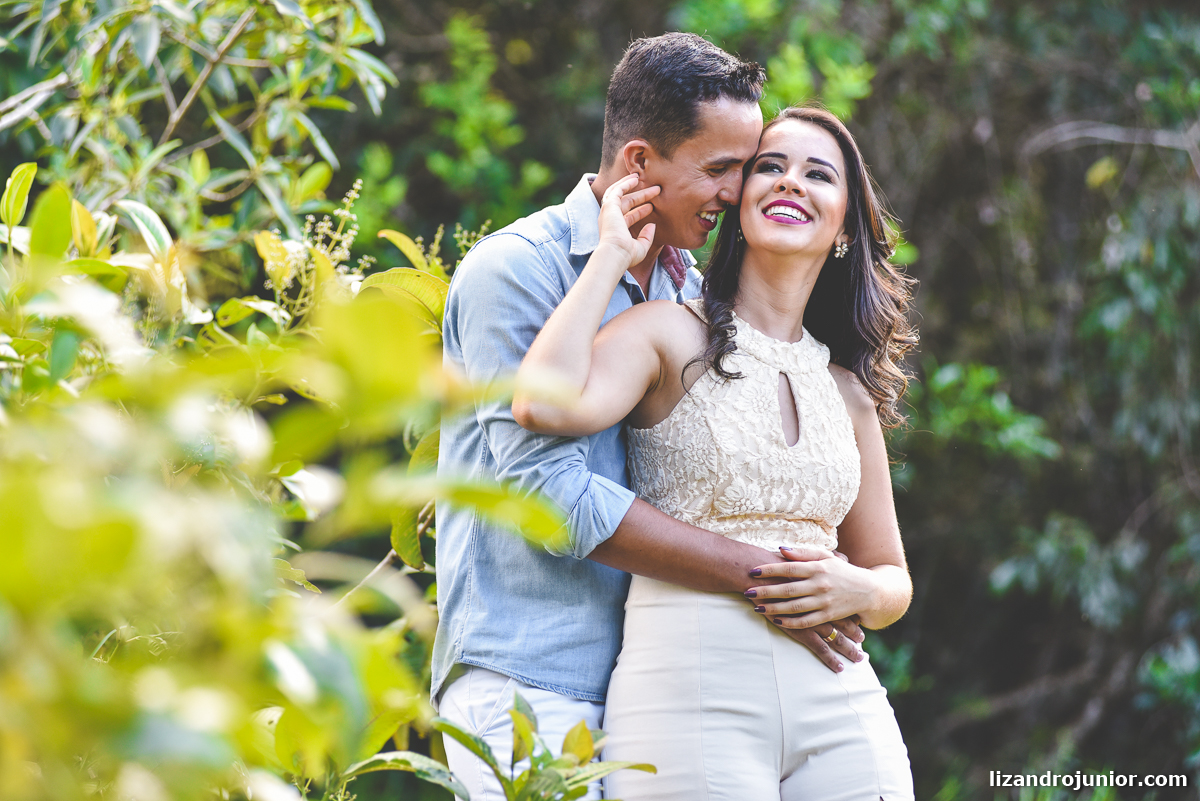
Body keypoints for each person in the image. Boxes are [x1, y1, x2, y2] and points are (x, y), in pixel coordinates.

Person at [434, 35, 866, 799]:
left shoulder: (685, 287)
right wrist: (766, 576)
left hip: (649, 684)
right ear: (639, 164)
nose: (736, 193)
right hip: (527, 680)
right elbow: (547, 496)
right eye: (721, 168)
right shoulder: (514, 270)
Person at [513, 105, 919, 799]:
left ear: (846, 225)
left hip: (839, 694)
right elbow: (542, 404)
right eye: (770, 167)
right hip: (687, 690)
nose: (790, 183)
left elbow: (892, 578)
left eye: (817, 174)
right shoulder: (667, 333)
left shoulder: (848, 392)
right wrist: (611, 255)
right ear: (739, 202)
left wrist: (862, 589)